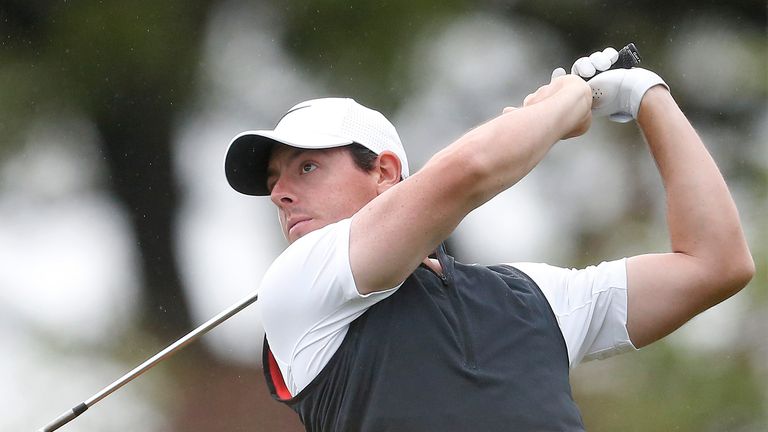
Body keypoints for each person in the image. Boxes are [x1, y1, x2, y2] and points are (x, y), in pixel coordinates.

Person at [224, 47, 754, 431]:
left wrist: (646, 97)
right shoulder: (299, 284)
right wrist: (563, 106)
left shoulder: (534, 297)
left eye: (307, 168)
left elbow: (715, 264)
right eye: (273, 182)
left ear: (384, 172)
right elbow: (470, 170)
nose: (281, 195)